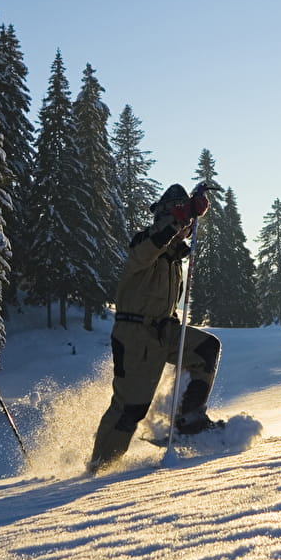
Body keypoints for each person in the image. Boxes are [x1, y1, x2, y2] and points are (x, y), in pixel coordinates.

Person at [87, 182, 220, 473]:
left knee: (206, 349)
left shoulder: (173, 258)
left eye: (188, 222)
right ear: (165, 216)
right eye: (181, 219)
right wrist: (178, 218)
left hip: (165, 330)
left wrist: (189, 218)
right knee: (131, 406)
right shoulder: (143, 244)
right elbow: (155, 242)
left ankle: (187, 417)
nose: (185, 227)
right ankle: (99, 468)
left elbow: (170, 241)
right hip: (135, 336)